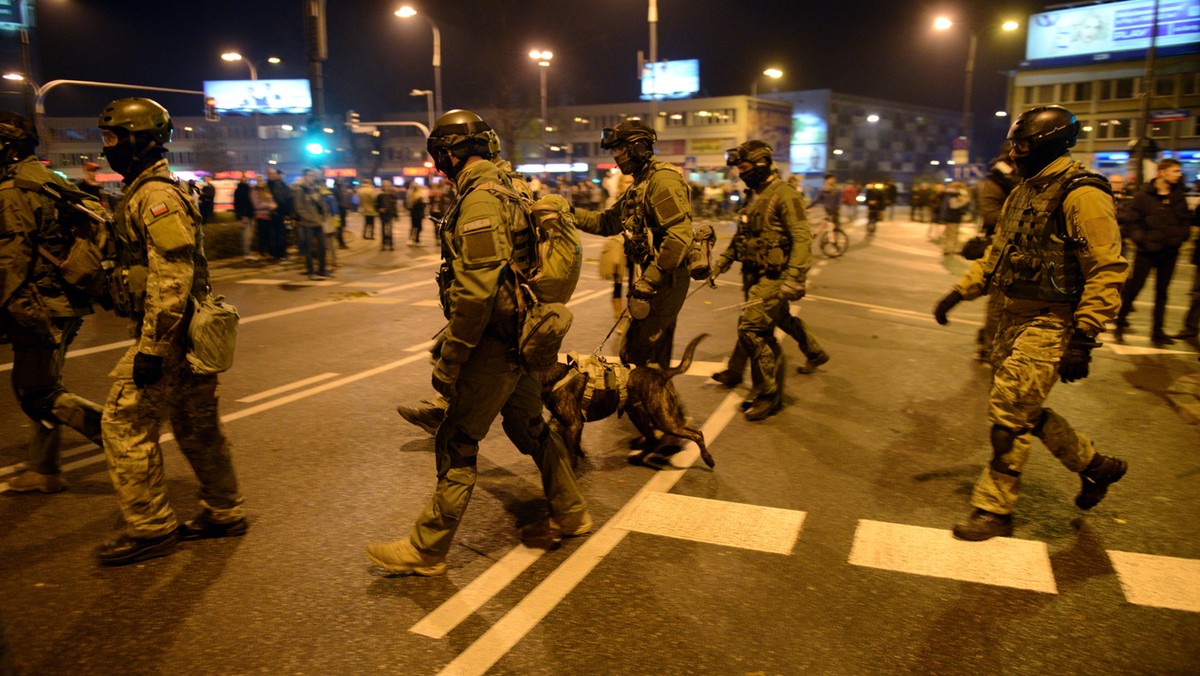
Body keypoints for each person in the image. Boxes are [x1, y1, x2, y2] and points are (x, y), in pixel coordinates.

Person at [366, 110, 591, 576]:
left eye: (440, 158)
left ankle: (428, 549)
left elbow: (476, 291)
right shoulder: (514, 186)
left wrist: (452, 357)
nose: (439, 168)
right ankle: (571, 511)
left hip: (495, 342)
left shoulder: (481, 201)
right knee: (530, 425)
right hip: (527, 335)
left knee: (457, 438)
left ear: (451, 155)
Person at [933, 105, 1129, 541]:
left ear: (1049, 145)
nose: (1015, 154)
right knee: (1023, 410)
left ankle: (994, 509)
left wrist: (1084, 336)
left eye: (1022, 146)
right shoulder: (1025, 190)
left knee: (1007, 411)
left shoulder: (1082, 193)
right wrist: (959, 292)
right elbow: (998, 253)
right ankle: (1095, 467)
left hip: (1052, 320)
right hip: (1011, 315)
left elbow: (1107, 268)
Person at [94, 97, 247, 565]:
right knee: (196, 426)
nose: (109, 148)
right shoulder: (145, 189)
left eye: (116, 137)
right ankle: (224, 510)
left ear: (143, 140)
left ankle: (151, 528)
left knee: (122, 423)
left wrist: (152, 350)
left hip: (170, 336)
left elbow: (172, 276)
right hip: (184, 334)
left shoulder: (156, 195)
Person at [0, 111, 105, 494]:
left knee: (37, 391)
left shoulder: (13, 191)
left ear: (8, 148)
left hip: (44, 304)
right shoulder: (46, 178)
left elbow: (10, 261)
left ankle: (119, 435)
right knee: (39, 385)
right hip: (61, 298)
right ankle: (44, 470)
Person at [573, 119, 695, 371]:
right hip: (650, 277)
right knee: (642, 351)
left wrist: (648, 282)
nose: (616, 157)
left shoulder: (662, 181)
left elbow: (679, 236)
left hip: (664, 278)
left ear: (638, 147)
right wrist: (566, 212)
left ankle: (655, 404)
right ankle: (655, 402)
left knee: (642, 352)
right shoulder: (640, 183)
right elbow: (607, 222)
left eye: (619, 149)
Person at [709, 141, 814, 421]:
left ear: (762, 164)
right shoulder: (754, 195)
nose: (741, 174)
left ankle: (769, 395)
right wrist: (721, 263)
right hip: (753, 273)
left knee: (754, 329)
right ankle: (814, 353)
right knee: (763, 323)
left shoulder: (785, 194)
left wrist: (795, 277)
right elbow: (742, 235)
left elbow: (803, 236)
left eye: (744, 168)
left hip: (775, 275)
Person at [1113, 158, 1192, 345]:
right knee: (1134, 289)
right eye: (1175, 171)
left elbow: (1185, 222)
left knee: (1162, 292)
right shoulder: (1143, 196)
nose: (1179, 174)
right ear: (1162, 172)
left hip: (1169, 252)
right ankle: (1120, 323)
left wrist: (1178, 239)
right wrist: (1142, 240)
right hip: (1146, 252)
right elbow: (1132, 222)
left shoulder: (1178, 196)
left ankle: (1158, 331)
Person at [974, 149, 1019, 361]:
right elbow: (990, 215)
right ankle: (989, 346)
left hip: (1026, 248)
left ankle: (995, 339)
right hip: (1000, 246)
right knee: (998, 302)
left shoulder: (1027, 178)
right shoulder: (995, 182)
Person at [293, 167, 332, 279]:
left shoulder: (315, 189)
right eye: (310, 175)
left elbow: (322, 204)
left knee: (322, 247)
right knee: (309, 248)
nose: (312, 178)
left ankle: (322, 269)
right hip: (307, 224)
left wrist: (324, 215)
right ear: (305, 176)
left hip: (318, 223)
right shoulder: (300, 190)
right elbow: (299, 208)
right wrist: (310, 218)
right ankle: (311, 271)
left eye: (313, 176)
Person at [265, 168, 293, 261]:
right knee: (274, 234)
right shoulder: (267, 186)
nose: (272, 175)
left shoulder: (281, 185)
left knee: (282, 233)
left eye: (273, 173)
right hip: (273, 213)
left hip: (281, 213)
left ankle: (282, 253)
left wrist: (287, 212)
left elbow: (287, 198)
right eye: (269, 173)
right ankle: (275, 254)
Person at [250, 180, 277, 260]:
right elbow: (256, 204)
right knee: (262, 236)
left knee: (269, 235)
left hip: (269, 215)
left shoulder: (266, 191)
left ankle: (269, 252)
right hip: (261, 216)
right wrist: (269, 205)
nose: (260, 183)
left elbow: (271, 200)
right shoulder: (254, 192)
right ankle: (262, 252)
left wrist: (273, 205)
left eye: (261, 181)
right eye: (259, 181)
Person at [233, 177, 255, 260]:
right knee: (247, 235)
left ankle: (247, 251)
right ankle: (246, 253)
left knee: (247, 234)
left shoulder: (238, 190)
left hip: (245, 215)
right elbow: (238, 204)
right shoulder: (246, 190)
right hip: (246, 215)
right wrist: (240, 217)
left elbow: (236, 204)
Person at [375, 181, 399, 251]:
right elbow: (376, 205)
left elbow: (394, 206)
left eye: (388, 186)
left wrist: (396, 215)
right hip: (383, 215)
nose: (387, 187)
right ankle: (383, 244)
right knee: (383, 230)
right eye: (385, 186)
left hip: (390, 214)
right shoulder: (379, 196)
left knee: (390, 230)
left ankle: (390, 244)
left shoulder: (393, 196)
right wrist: (379, 209)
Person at [406, 181, 428, 245]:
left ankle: (414, 239)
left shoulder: (412, 195)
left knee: (415, 227)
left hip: (415, 213)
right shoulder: (418, 196)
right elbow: (420, 205)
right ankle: (415, 239)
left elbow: (409, 206)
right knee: (417, 227)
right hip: (417, 213)